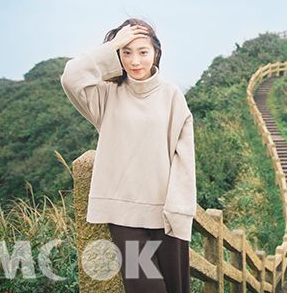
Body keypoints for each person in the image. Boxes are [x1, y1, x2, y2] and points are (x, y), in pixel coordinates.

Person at [61, 18, 195, 293]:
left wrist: (179, 209)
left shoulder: (171, 95)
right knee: (148, 289)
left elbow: (184, 159)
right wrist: (112, 44)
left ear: (156, 53)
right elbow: (71, 77)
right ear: (117, 55)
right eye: (126, 52)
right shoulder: (107, 95)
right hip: (125, 216)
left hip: (167, 213)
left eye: (143, 52)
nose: (135, 60)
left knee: (176, 289)